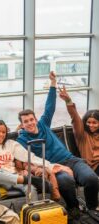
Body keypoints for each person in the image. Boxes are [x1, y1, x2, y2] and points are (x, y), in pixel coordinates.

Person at [16, 71, 99, 215]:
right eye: (26, 121)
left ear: (35, 119)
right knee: (66, 182)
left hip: (71, 160)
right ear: (22, 125)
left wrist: (53, 84)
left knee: (91, 178)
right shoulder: (21, 140)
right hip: (53, 168)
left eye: (31, 119)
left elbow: (50, 106)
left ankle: (92, 209)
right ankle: (74, 207)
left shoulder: (43, 124)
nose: (30, 123)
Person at [59, 85, 99, 176]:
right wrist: (68, 101)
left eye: (94, 123)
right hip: (93, 168)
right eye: (88, 122)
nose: (91, 125)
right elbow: (75, 118)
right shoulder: (82, 135)